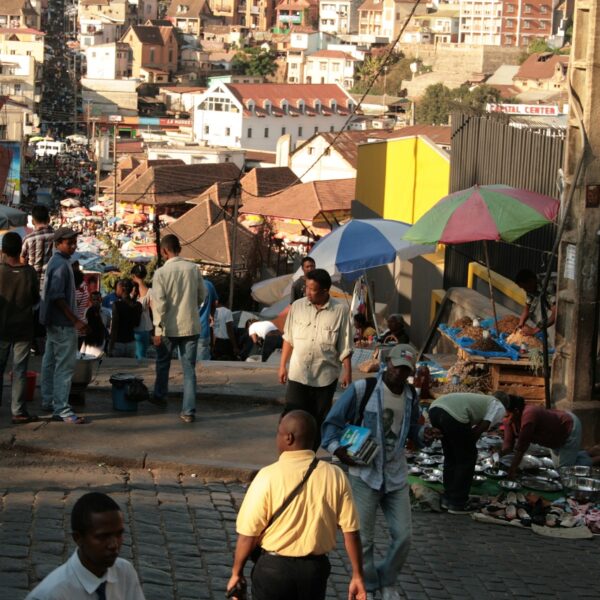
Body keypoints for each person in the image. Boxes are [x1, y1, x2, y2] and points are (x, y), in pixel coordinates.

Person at [322, 344, 430, 600]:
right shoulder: (364, 389)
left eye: (405, 370)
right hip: (364, 474)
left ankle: (387, 578)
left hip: (395, 474)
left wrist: (426, 434)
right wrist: (340, 451)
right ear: (386, 363)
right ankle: (369, 585)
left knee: (404, 535)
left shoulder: (411, 396)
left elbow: (414, 430)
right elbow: (331, 425)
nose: (399, 373)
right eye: (395, 366)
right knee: (363, 538)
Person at [226, 410, 366, 600]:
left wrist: (237, 573)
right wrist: (357, 576)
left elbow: (248, 535)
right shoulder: (335, 475)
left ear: (289, 438)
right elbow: (352, 532)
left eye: (278, 434)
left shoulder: (267, 476)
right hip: (314, 572)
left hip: (273, 571)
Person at [279, 268, 352, 448]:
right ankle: (288, 457)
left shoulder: (340, 311)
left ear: (325, 291)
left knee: (316, 421)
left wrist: (347, 372)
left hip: (325, 378)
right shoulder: (297, 307)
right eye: (306, 288)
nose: (307, 292)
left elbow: (345, 344)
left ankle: (310, 457)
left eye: (312, 289)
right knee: (291, 418)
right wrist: (282, 366)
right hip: (298, 375)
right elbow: (288, 338)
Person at [26, 492, 146, 600]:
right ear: (78, 538)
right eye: (102, 537)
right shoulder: (50, 595)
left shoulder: (125, 572)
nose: (114, 545)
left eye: (119, 534)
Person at [151, 234, 206, 423]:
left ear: (164, 251)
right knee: (189, 369)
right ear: (179, 249)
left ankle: (160, 396)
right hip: (191, 325)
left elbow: (160, 304)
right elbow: (202, 295)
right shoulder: (193, 269)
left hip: (168, 327)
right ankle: (188, 411)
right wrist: (191, 306)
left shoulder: (161, 273)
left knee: (163, 363)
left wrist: (157, 329)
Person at [428, 392, 506, 514]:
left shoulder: (482, 400)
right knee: (466, 458)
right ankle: (458, 503)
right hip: (453, 414)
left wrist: (465, 444)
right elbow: (482, 427)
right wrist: (468, 447)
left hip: (435, 409)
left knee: (451, 456)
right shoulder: (498, 405)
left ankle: (447, 498)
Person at [40, 227, 87, 424]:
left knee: (50, 362)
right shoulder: (59, 264)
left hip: (54, 322)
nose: (73, 246)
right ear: (58, 244)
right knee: (64, 367)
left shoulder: (59, 261)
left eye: (74, 242)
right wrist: (75, 320)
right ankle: (62, 409)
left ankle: (49, 399)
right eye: (69, 243)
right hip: (62, 323)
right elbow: (57, 297)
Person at [501, 394, 592, 478]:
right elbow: (508, 443)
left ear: (516, 411)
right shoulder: (509, 420)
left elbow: (521, 448)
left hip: (569, 428)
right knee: (559, 464)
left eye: (507, 416)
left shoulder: (529, 414)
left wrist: (512, 469)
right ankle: (590, 451)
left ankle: (595, 460)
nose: (504, 419)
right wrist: (497, 457)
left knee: (564, 472)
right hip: (554, 438)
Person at [0, 232, 40, 424]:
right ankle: (18, 411)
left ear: (3, 251)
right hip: (23, 329)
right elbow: (35, 300)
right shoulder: (30, 273)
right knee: (20, 370)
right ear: (20, 250)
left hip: (1, 328)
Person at [515, 269, 557, 342]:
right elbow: (527, 307)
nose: (525, 290)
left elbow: (556, 313)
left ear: (531, 281)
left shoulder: (546, 285)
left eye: (525, 287)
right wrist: (521, 323)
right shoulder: (531, 286)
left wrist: (534, 330)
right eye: (523, 288)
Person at [21, 204, 54, 290]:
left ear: (32, 221)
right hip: (53, 282)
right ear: (49, 219)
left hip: (33, 283)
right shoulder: (57, 237)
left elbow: (22, 260)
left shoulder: (28, 239)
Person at [109, 279, 141, 358]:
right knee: (130, 369)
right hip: (131, 342)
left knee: (117, 368)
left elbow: (114, 327)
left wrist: (110, 345)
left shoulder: (116, 305)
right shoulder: (138, 305)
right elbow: (137, 324)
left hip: (118, 343)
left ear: (122, 289)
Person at [131, 264, 153, 359]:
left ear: (133, 276)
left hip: (131, 329)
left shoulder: (130, 291)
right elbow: (153, 312)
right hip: (145, 328)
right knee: (142, 357)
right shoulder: (150, 292)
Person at [197, 277, 217, 360]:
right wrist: (211, 314)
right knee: (203, 365)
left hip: (185, 330)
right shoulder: (208, 284)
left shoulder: (183, 284)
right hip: (203, 329)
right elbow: (215, 302)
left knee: (185, 364)